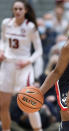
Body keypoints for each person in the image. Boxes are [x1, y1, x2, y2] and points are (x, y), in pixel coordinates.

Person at [0, 0, 43, 131]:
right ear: (13, 10)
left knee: (28, 104)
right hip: (7, 66)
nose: (17, 11)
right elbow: (3, 41)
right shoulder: (6, 23)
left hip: (24, 67)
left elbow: (39, 50)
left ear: (26, 11)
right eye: (15, 9)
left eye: (20, 9)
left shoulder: (30, 27)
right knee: (2, 106)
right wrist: (1, 50)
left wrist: (28, 61)